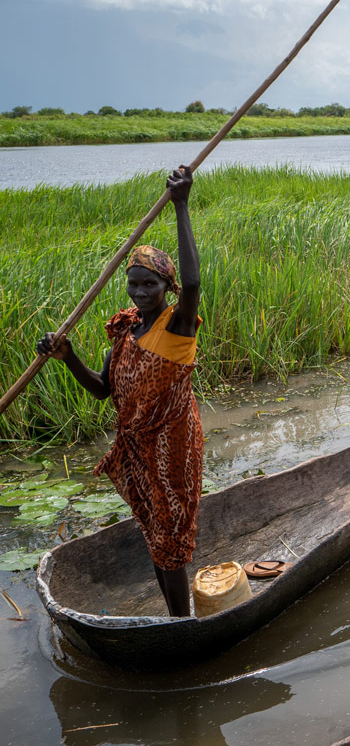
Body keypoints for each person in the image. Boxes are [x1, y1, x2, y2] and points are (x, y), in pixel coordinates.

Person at [38, 165, 203, 616]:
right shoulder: (125, 329)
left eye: (149, 284)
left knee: (169, 534)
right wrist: (66, 355)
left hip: (172, 444)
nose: (139, 292)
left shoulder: (178, 325)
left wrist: (181, 204)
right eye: (133, 283)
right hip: (138, 446)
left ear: (166, 287)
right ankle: (177, 617)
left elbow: (193, 282)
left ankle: (180, 623)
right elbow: (101, 390)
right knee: (154, 530)